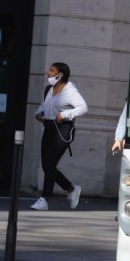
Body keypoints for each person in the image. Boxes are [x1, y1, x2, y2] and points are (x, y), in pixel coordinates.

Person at [31, 62, 88, 211]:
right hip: (49, 127)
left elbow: (83, 107)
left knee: (50, 164)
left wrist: (64, 114)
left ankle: (45, 199)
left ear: (60, 75)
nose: (48, 73)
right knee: (46, 165)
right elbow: (43, 106)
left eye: (52, 71)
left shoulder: (70, 91)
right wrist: (38, 114)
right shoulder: (48, 89)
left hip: (63, 129)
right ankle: (71, 189)